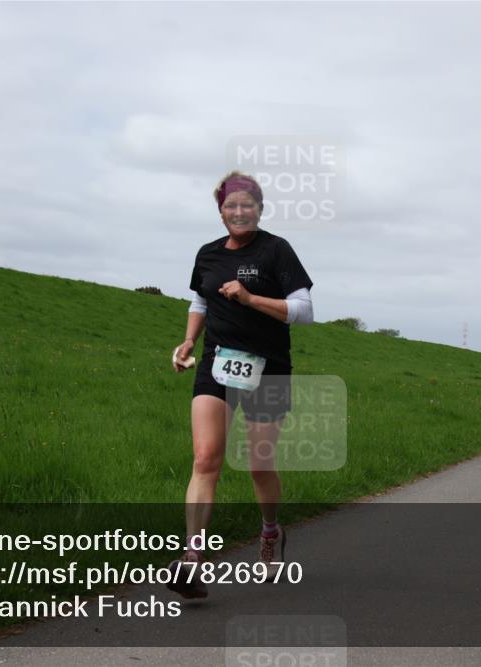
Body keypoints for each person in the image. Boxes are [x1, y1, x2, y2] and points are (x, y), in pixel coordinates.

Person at [166, 171, 314, 599]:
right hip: (217, 363)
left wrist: (250, 299)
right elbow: (200, 299)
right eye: (230, 205)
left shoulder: (276, 250)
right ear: (220, 210)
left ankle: (270, 533)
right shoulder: (208, 254)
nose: (238, 211)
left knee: (258, 464)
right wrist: (189, 339)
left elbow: (304, 311)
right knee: (205, 457)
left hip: (268, 368)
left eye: (247, 204)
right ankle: (194, 559)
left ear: (260, 208)